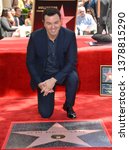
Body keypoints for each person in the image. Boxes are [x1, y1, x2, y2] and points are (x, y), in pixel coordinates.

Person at [26, 8, 79, 119]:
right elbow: (30, 62)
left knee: (73, 77)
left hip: (62, 72)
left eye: (56, 22)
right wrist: (40, 83)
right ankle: (46, 96)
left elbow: (71, 62)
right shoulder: (35, 36)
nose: (53, 27)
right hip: (43, 76)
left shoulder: (69, 35)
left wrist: (54, 80)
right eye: (49, 23)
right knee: (45, 114)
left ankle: (68, 106)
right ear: (43, 23)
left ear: (60, 21)